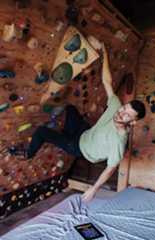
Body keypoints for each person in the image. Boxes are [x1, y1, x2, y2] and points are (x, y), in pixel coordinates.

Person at [9, 45, 146, 202]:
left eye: (127, 115)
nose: (121, 113)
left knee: (41, 131)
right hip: (85, 132)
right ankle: (67, 134)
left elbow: (110, 169)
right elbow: (107, 81)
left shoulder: (118, 142)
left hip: (80, 148)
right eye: (124, 108)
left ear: (133, 122)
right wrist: (105, 53)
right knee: (71, 108)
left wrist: (93, 189)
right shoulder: (116, 106)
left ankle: (28, 154)